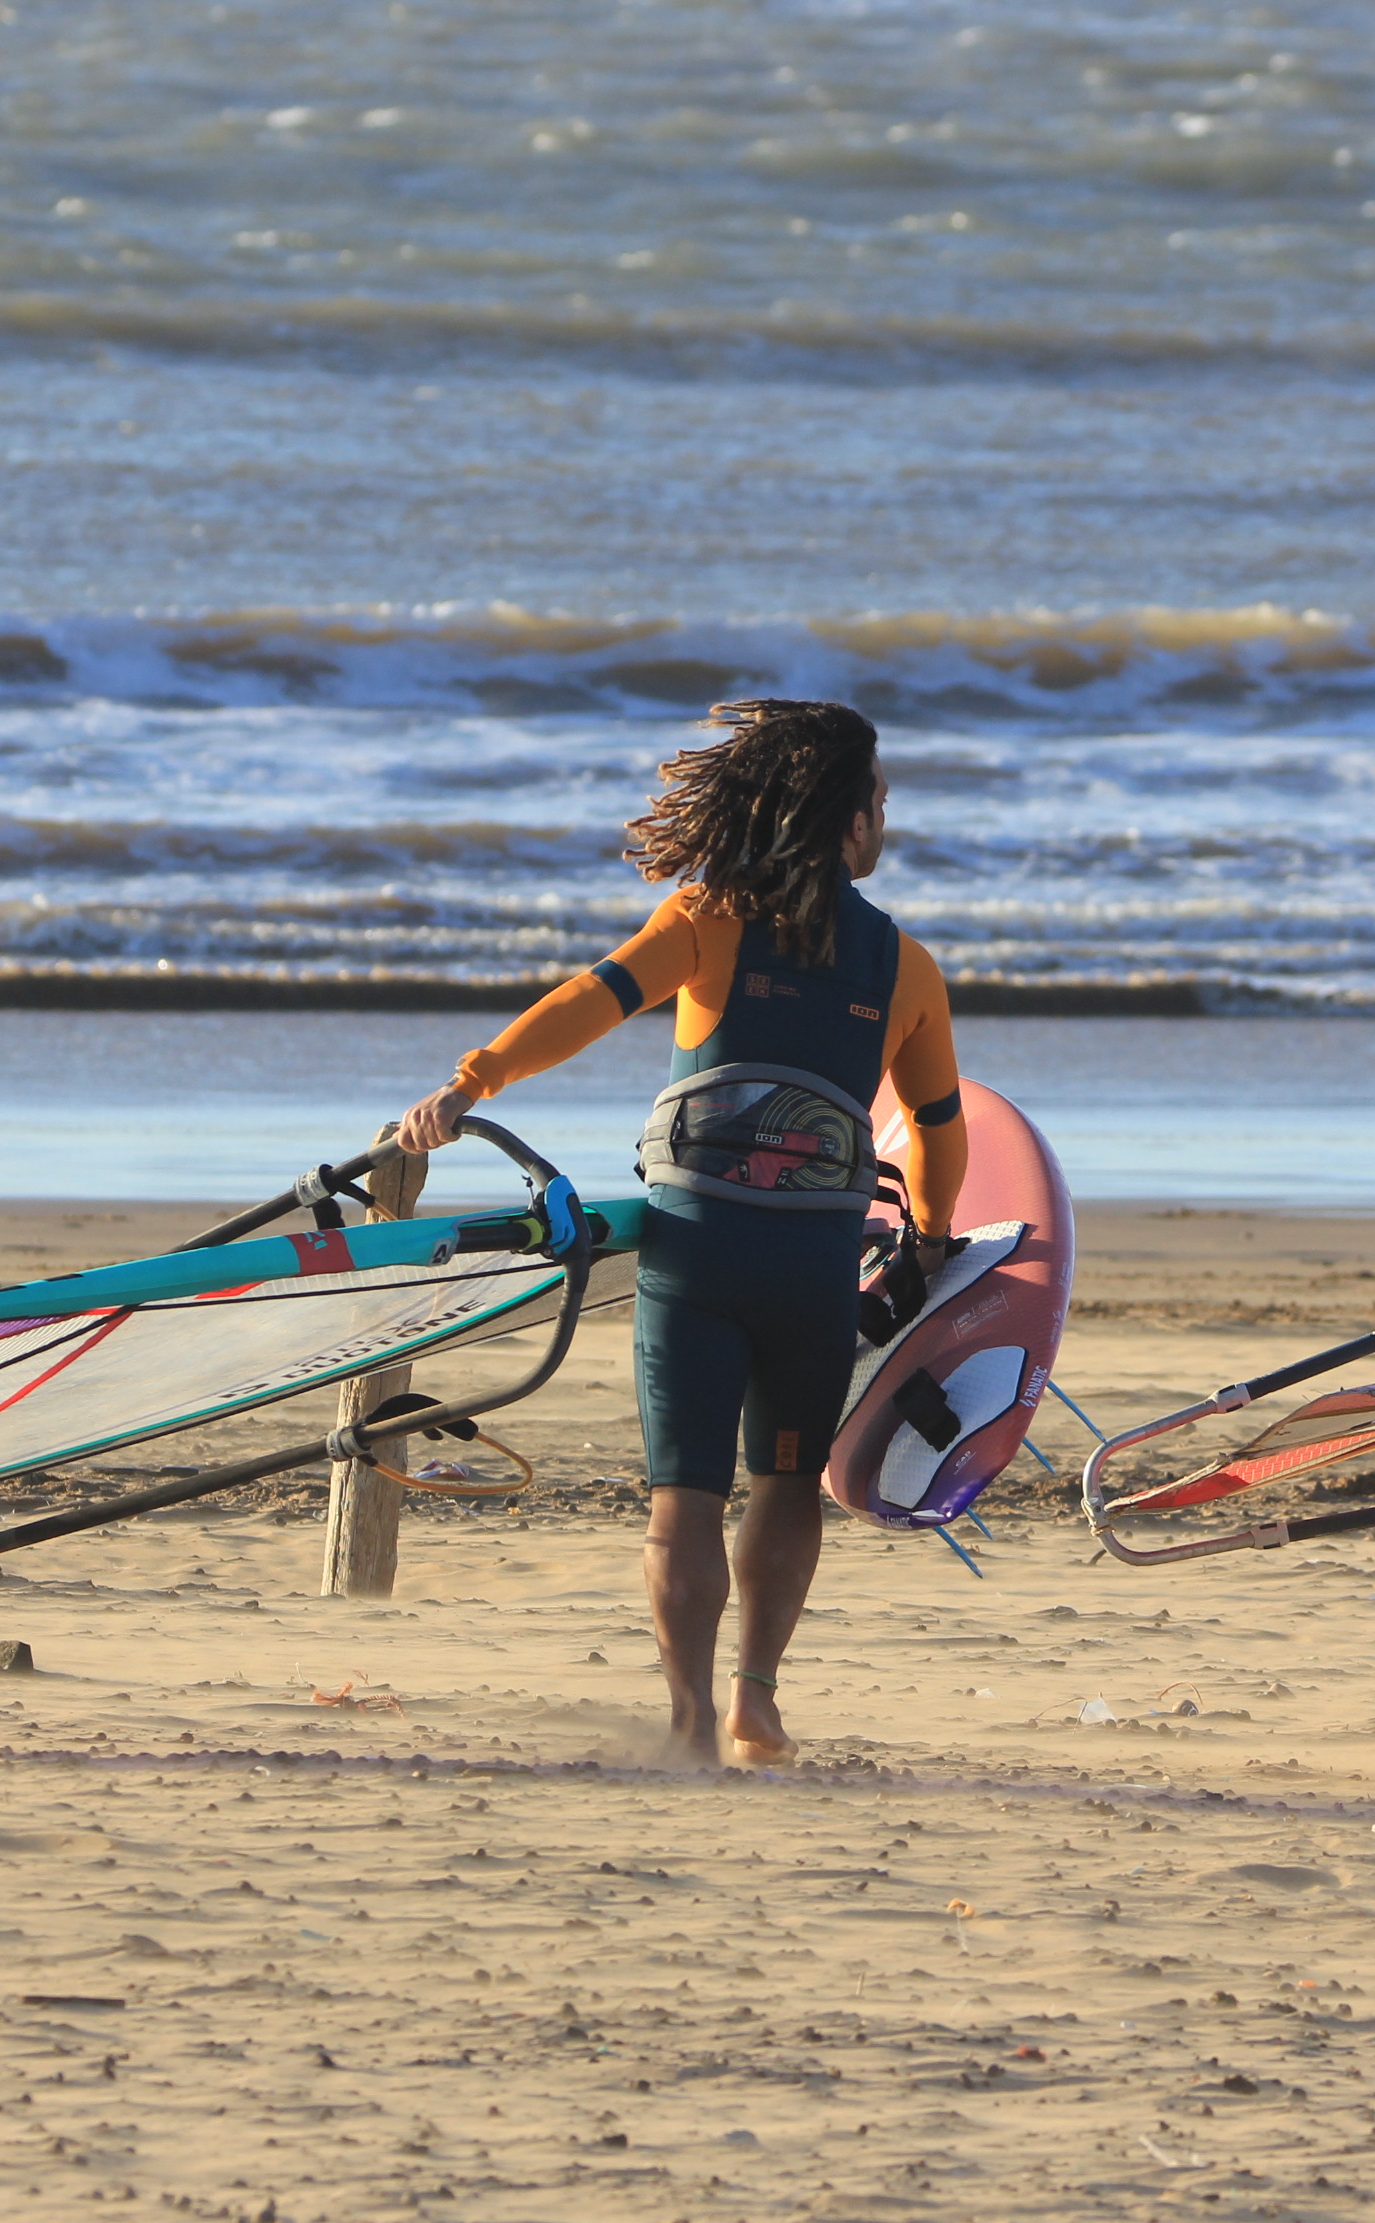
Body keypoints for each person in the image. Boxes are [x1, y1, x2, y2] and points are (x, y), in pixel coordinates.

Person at [396, 700, 964, 1766]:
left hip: (695, 1251)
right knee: (789, 1482)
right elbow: (938, 1134)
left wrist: (469, 1087)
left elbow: (587, 1003)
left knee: (684, 1500)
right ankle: (757, 1700)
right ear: (843, 823)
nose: (884, 818)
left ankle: (692, 1719)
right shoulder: (906, 970)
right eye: (877, 802)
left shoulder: (706, 918)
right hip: (810, 1269)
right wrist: (929, 1243)